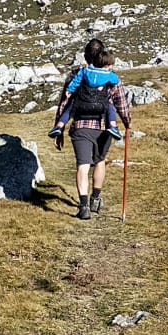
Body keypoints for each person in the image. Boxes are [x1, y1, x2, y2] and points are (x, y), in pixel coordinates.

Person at [52, 37, 130, 220]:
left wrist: (59, 127)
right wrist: (126, 121)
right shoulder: (110, 75)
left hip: (80, 126)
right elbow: (121, 101)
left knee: (83, 165)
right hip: (104, 126)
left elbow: (65, 102)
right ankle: (95, 198)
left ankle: (84, 205)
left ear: (86, 56)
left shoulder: (76, 75)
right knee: (100, 160)